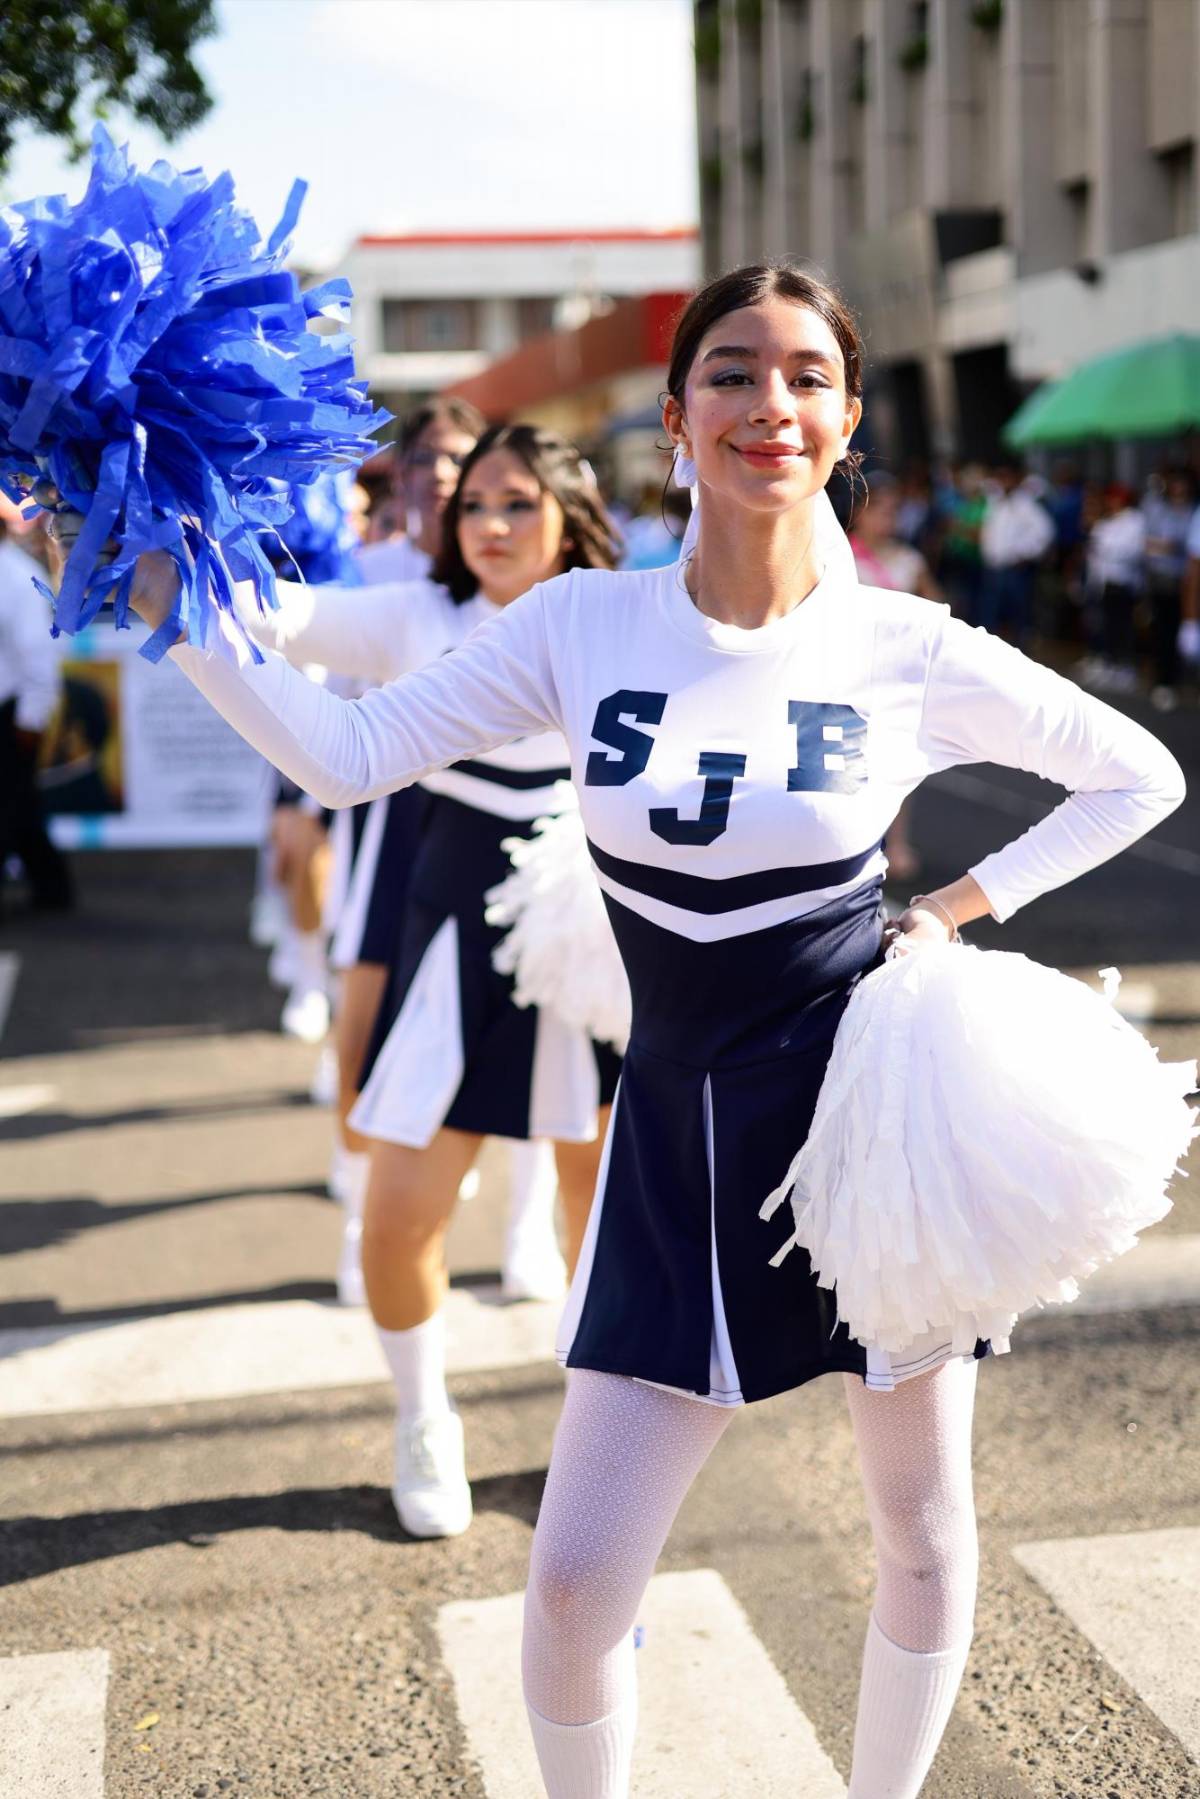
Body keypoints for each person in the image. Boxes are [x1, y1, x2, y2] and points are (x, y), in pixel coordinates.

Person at [91, 262, 1182, 1799]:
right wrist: (163, 598)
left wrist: (953, 907)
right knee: (573, 1586)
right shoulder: (584, 622)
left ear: (849, 420)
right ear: (675, 418)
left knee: (923, 1533)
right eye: (732, 372)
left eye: (808, 375)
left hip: (874, 1123)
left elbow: (1141, 775)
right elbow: (342, 754)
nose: (771, 404)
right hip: (670, 1132)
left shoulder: (911, 645)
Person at [229, 422, 624, 1537]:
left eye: (517, 502)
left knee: (603, 1217)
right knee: (399, 1213)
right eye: (475, 505)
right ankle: (423, 1414)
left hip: (591, 944)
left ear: (567, 512)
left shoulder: (625, 615)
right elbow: (277, 616)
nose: (492, 524)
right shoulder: (416, 614)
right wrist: (166, 545)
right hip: (451, 928)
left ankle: (599, 1434)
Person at [0, 512, 73, 911]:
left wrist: (31, 719)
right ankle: (53, 889)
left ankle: (53, 889)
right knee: (20, 807)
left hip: (11, 712)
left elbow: (37, 656)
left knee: (11, 808)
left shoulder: (18, 579)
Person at [978, 459, 1054, 646]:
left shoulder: (1025, 505)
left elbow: (1044, 532)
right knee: (992, 616)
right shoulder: (996, 503)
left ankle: (1022, 651)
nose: (1003, 481)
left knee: (1018, 616)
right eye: (1000, 477)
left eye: (1007, 477)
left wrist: (1024, 553)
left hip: (1014, 569)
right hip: (994, 568)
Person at [1140, 467, 1196, 711]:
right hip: (1160, 579)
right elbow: (1148, 540)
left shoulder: (1192, 511)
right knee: (1162, 631)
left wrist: (1168, 546)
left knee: (1179, 631)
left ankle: (1180, 679)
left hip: (1182, 580)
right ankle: (1163, 680)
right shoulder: (1159, 508)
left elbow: (1183, 545)